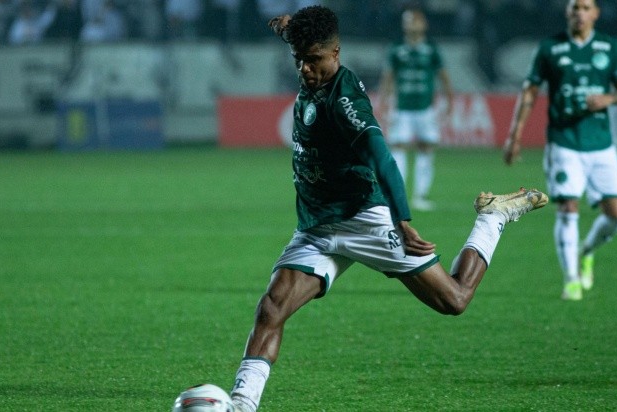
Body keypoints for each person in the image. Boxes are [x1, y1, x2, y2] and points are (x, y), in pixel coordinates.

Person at [227, 6, 548, 412]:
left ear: (336, 52)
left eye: (314, 60)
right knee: (271, 308)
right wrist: (288, 28)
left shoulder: (345, 101)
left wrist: (403, 220)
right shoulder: (311, 60)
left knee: (454, 299)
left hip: (364, 219)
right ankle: (242, 403)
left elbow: (383, 159)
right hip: (316, 227)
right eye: (299, 60)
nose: (306, 69)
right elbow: (301, 39)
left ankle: (492, 218)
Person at [503, 0, 617, 301]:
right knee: (567, 207)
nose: (579, 13)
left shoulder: (609, 47)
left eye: (586, 7)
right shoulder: (550, 48)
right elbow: (530, 92)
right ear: (567, 13)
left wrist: (609, 99)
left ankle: (586, 250)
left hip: (601, 144)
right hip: (564, 142)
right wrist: (515, 136)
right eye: (575, 7)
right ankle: (571, 278)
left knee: (616, 215)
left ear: (596, 13)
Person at [378, 6, 454, 212]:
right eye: (408, 20)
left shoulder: (431, 49)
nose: (411, 24)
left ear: (424, 24)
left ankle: (420, 195)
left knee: (426, 148)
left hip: (425, 108)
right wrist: (383, 101)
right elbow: (388, 77)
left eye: (415, 20)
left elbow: (443, 76)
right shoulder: (396, 49)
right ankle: (398, 195)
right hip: (401, 108)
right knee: (398, 148)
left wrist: (449, 99)